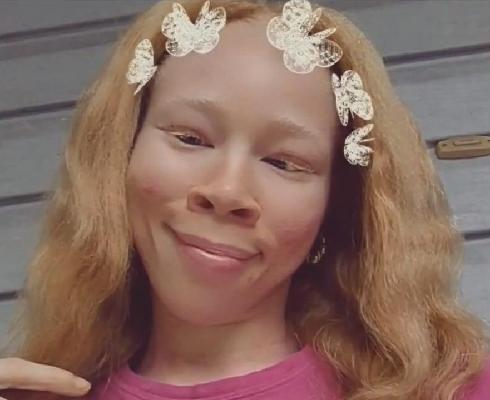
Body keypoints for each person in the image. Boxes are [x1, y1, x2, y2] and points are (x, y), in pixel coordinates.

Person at [0, 0, 489, 399]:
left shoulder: (447, 389)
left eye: (284, 163)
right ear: (121, 154)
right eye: (190, 138)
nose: (227, 191)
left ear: (335, 207)